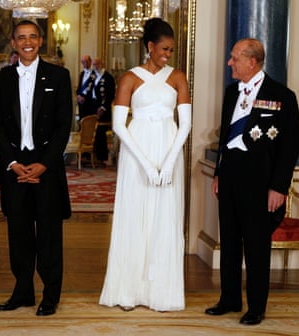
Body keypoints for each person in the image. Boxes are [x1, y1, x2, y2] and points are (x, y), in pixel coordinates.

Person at [205, 38, 299, 325]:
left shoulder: (282, 95)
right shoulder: (232, 92)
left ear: (252, 61)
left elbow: (289, 147)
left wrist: (279, 187)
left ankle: (256, 306)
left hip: (261, 182)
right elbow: (225, 138)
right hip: (231, 176)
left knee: (257, 245)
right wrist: (218, 173)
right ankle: (230, 299)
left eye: (234, 58)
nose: (229, 63)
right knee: (230, 241)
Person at [99, 18, 191, 312]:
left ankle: (161, 293)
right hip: (137, 153)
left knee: (165, 218)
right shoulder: (129, 78)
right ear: (150, 46)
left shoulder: (177, 77)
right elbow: (119, 126)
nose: (168, 54)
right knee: (134, 216)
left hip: (168, 150)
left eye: (171, 50)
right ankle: (129, 290)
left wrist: (167, 162)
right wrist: (148, 166)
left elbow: (185, 124)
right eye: (164, 49)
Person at [0, 20, 73, 317]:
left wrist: (45, 163)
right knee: (18, 233)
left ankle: (50, 295)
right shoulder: (2, 79)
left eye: (32, 37)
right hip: (14, 166)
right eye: (21, 37)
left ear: (41, 41)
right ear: (13, 42)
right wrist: (11, 163)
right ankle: (23, 291)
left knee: (49, 233)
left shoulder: (59, 76)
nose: (27, 42)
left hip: (46, 166)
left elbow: (65, 124)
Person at [91, 57, 116, 166]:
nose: (95, 67)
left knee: (101, 133)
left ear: (102, 64)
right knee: (94, 133)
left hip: (103, 110)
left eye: (97, 64)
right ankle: (95, 156)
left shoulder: (108, 77)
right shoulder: (93, 76)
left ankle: (102, 156)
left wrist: (103, 107)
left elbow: (110, 95)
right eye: (94, 64)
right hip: (93, 108)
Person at [76, 54, 95, 120]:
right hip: (81, 103)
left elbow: (94, 89)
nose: (85, 63)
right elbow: (79, 87)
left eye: (87, 61)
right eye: (83, 62)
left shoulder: (94, 74)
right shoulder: (82, 74)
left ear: (90, 62)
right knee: (82, 121)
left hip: (90, 102)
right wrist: (78, 95)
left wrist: (85, 98)